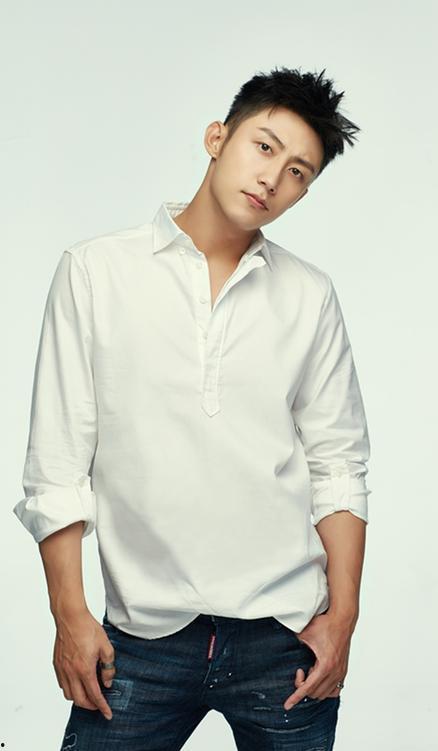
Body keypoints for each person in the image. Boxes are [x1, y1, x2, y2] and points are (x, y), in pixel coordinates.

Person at [13, 65, 372, 750]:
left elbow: (339, 466)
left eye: (297, 172)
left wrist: (343, 618)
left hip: (284, 639)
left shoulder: (309, 295)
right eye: (264, 147)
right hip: (141, 639)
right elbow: (56, 465)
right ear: (217, 137)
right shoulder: (96, 271)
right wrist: (70, 615)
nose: (272, 178)